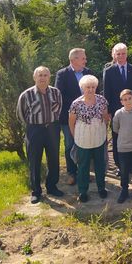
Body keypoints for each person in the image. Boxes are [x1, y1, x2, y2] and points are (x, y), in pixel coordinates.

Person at [17, 66, 63, 204]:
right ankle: (36, 191)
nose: (42, 78)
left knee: (54, 159)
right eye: (40, 75)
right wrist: (34, 125)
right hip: (34, 130)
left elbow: (58, 109)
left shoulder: (56, 93)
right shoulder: (26, 95)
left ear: (50, 77)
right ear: (34, 77)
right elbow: (21, 114)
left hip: (52, 129)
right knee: (35, 161)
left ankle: (52, 186)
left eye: (45, 75)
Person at [55, 48, 95, 186]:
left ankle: (84, 172)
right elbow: (59, 95)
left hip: (87, 116)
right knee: (70, 145)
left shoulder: (88, 72)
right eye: (83, 58)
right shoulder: (62, 74)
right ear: (73, 60)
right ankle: (72, 173)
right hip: (69, 117)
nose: (85, 60)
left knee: (86, 144)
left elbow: (94, 92)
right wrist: (78, 105)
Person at [103, 43, 132, 173]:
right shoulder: (109, 72)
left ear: (127, 54)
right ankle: (120, 166)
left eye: (123, 53)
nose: (121, 56)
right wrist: (108, 111)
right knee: (117, 138)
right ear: (114, 55)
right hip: (116, 111)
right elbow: (106, 92)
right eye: (118, 53)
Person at [68, 75, 109, 202]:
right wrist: (76, 137)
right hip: (82, 138)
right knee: (83, 166)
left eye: (93, 87)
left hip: (99, 137)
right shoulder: (76, 103)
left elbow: (106, 118)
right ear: (82, 88)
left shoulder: (102, 100)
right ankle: (83, 191)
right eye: (87, 87)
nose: (90, 90)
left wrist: (103, 132)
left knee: (100, 165)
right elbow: (71, 123)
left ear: (96, 87)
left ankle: (101, 188)